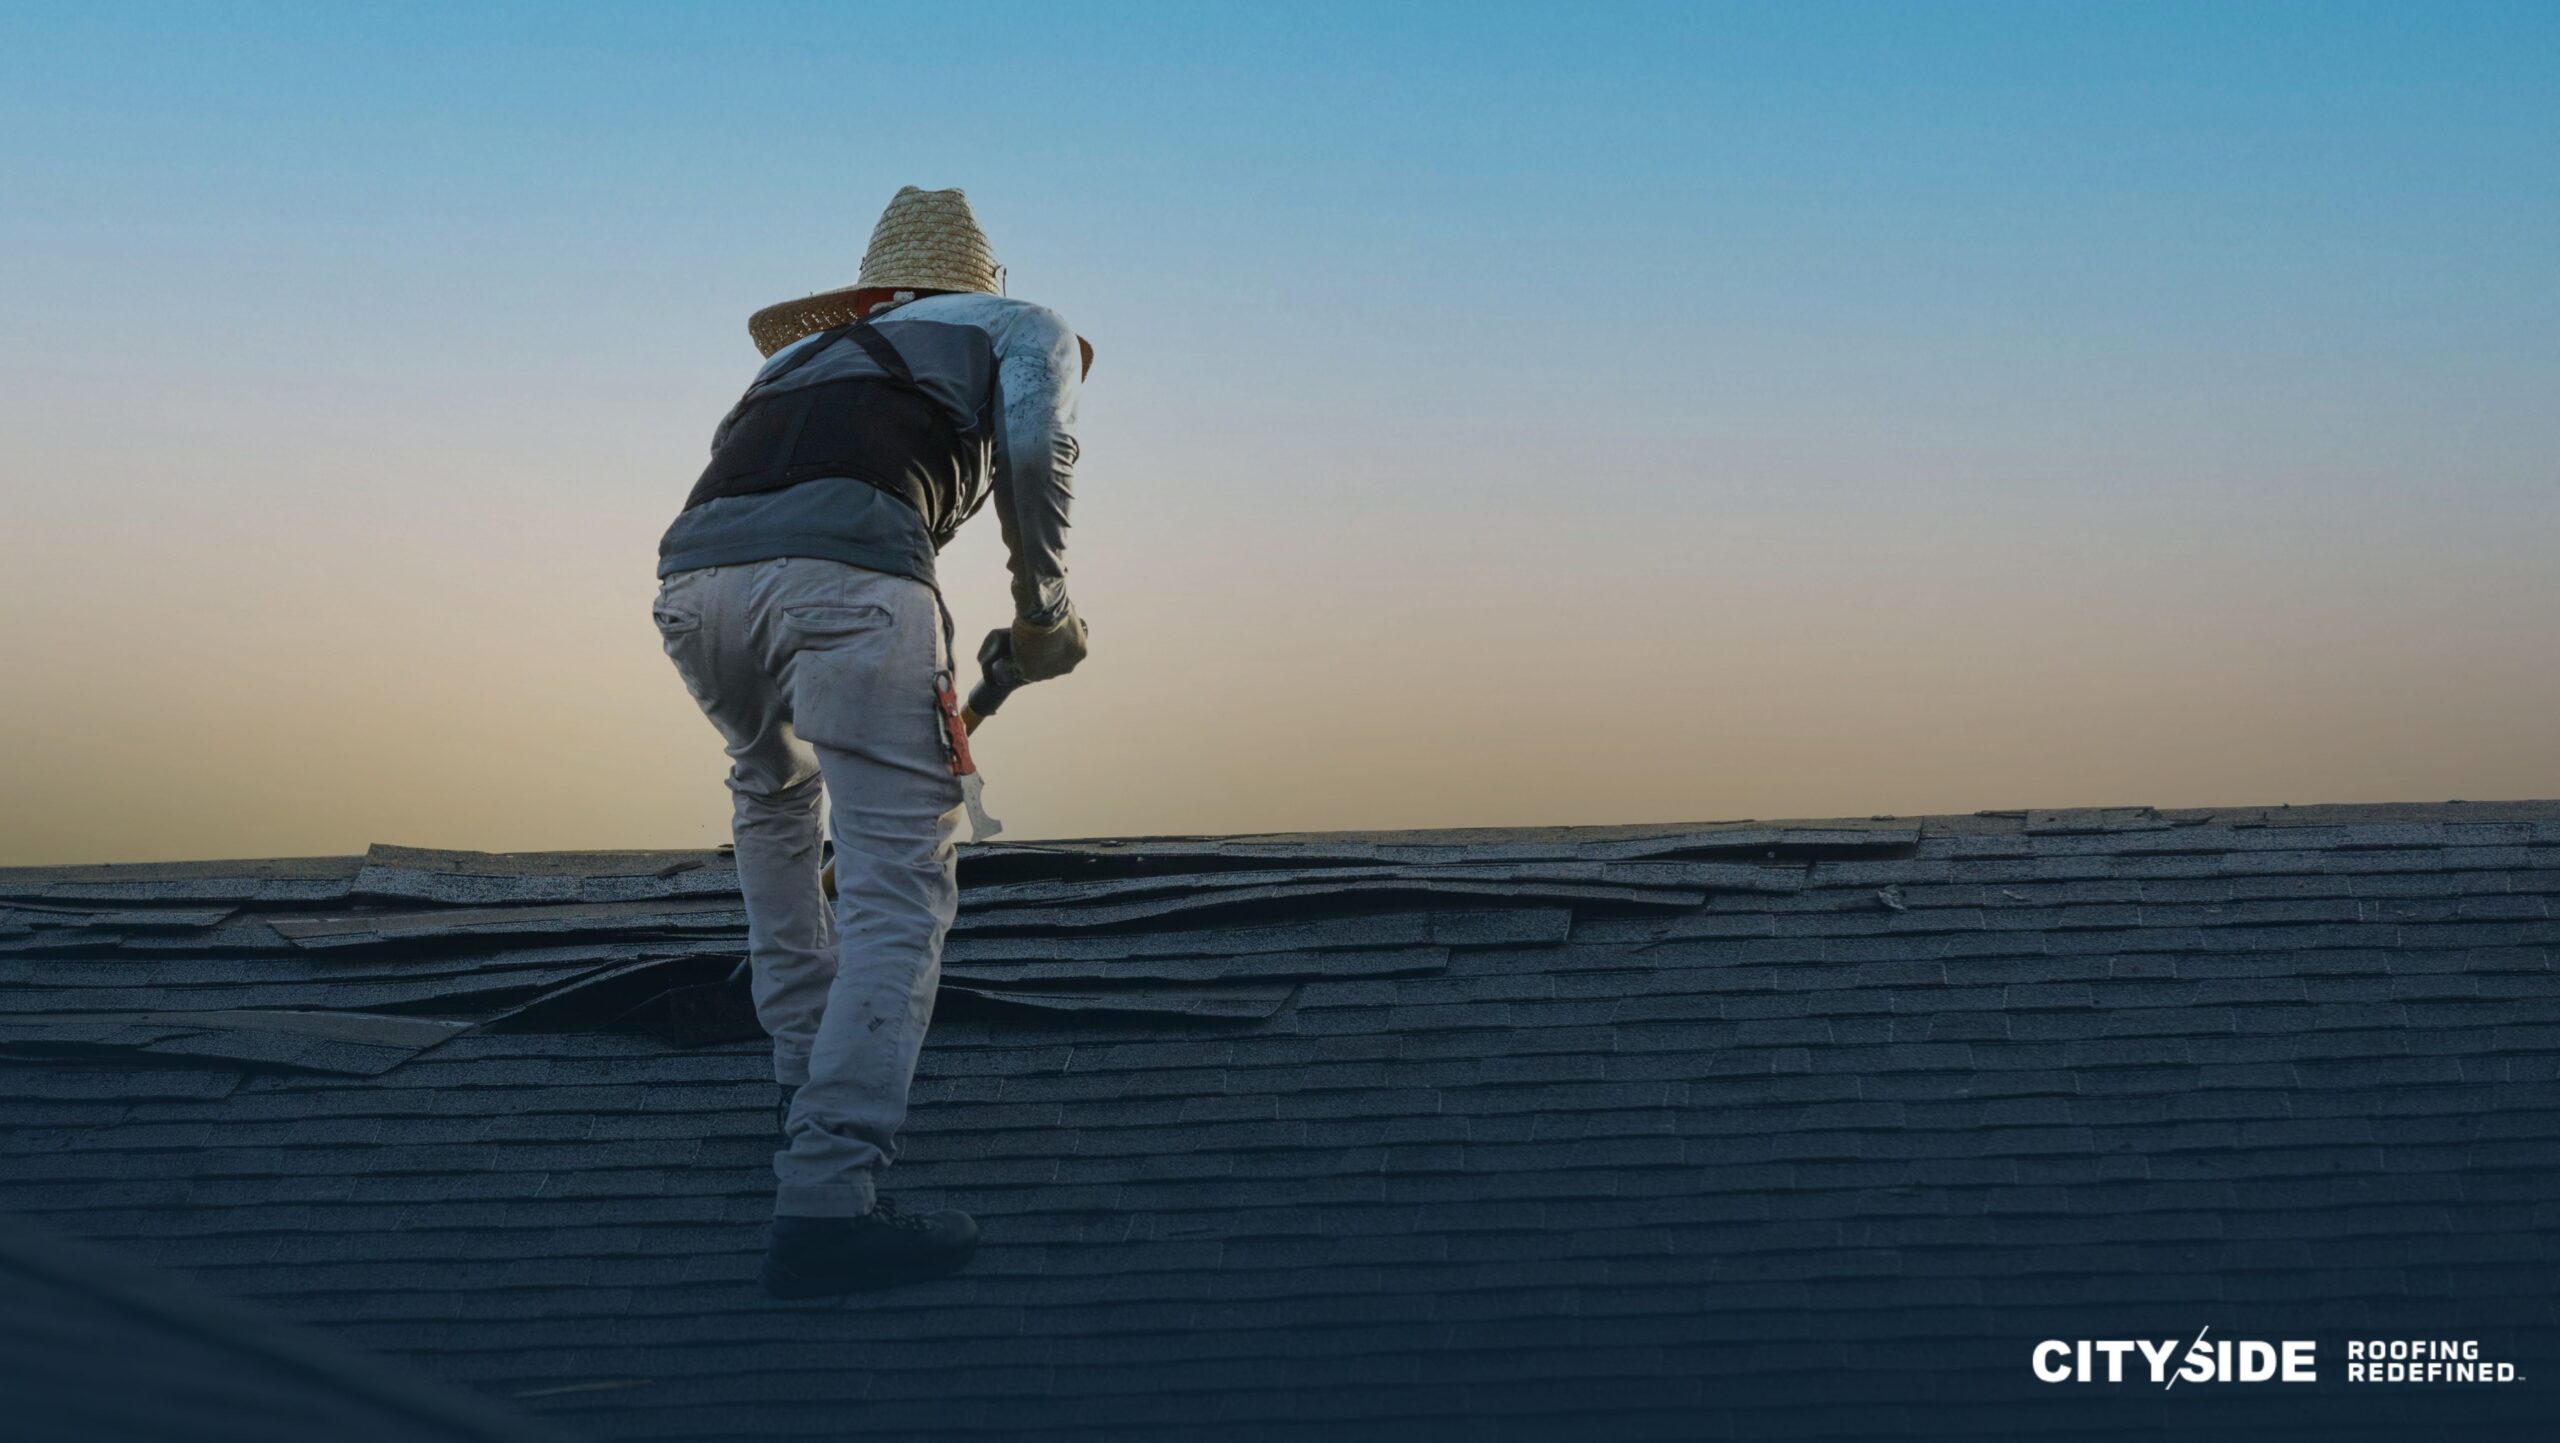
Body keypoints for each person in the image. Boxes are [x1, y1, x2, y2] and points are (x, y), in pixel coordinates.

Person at [650, 186, 1090, 1297]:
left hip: (693, 582)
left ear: (872, 290)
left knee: (771, 800)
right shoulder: (1022, 326)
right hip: (849, 585)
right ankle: (827, 1196)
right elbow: (1040, 453)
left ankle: (805, 1082)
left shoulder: (792, 367)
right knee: (900, 879)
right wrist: (1044, 614)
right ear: (975, 283)